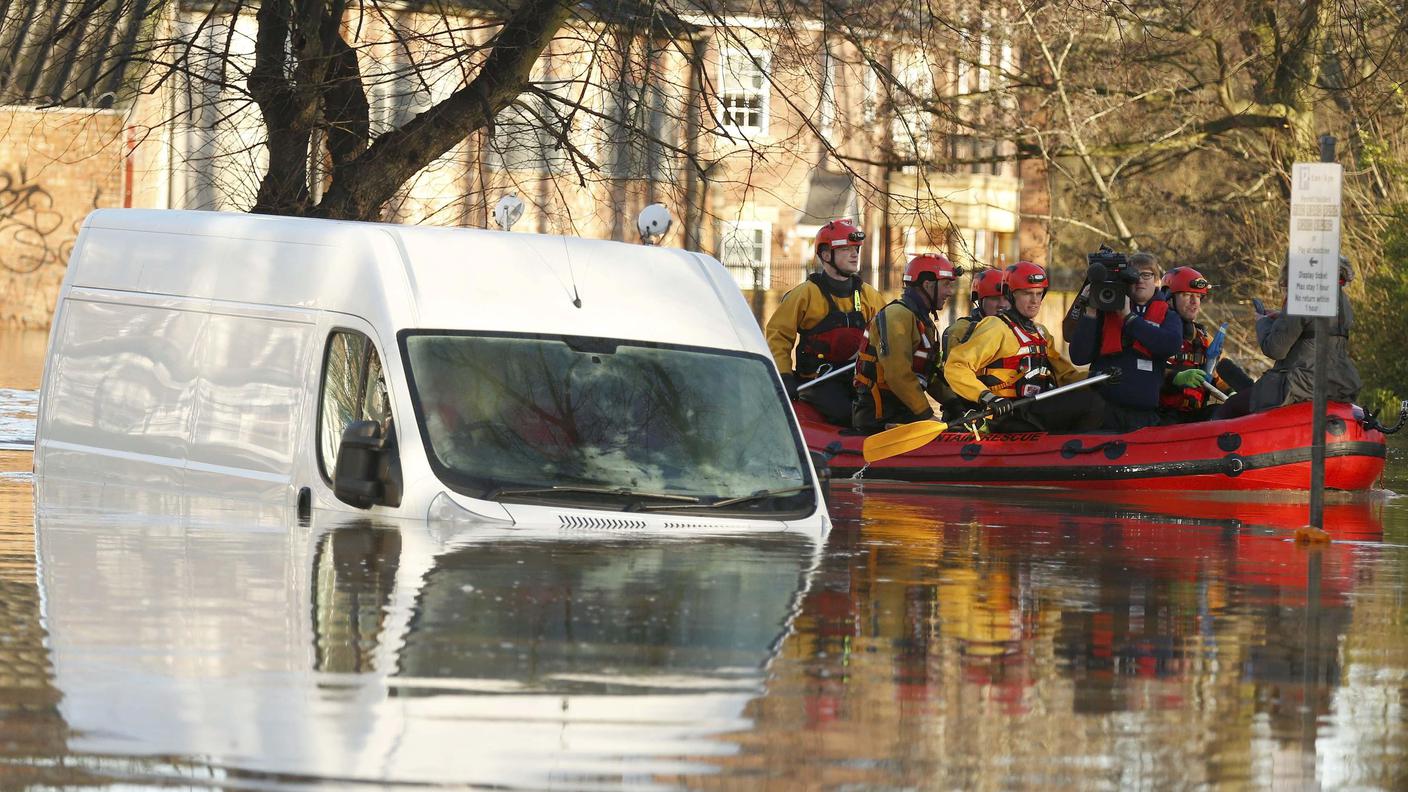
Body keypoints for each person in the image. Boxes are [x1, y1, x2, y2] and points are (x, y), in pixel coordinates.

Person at [945, 261, 1103, 433]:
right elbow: (956, 366)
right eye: (1027, 294)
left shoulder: (1041, 333)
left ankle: (1073, 449)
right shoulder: (996, 327)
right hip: (1004, 413)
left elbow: (1066, 376)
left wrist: (1099, 377)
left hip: (1030, 409)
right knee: (1091, 403)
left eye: (1039, 294)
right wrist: (988, 398)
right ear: (1012, 295)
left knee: (1097, 399)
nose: (1035, 301)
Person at [765, 218, 884, 425]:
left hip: (857, 380)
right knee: (846, 414)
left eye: (856, 248)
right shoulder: (805, 295)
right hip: (817, 382)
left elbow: (887, 335)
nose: (855, 254)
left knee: (878, 413)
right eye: (846, 249)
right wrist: (784, 375)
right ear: (826, 255)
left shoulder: (869, 296)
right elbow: (778, 337)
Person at [1216, 256, 1362, 419]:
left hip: (1300, 384)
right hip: (1336, 383)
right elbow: (1313, 327)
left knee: (1230, 407)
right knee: (1248, 389)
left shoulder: (1302, 296)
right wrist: (1281, 317)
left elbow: (1275, 349)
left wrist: (1262, 322)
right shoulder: (1342, 301)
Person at [1069, 251, 1183, 431]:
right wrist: (1090, 311)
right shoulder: (1105, 311)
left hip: (1144, 415)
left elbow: (1170, 344)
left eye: (1147, 275)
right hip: (1105, 413)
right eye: (1134, 275)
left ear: (1157, 282)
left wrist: (1129, 319)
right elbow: (1079, 356)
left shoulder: (1169, 316)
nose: (1140, 280)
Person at [852, 253, 961, 432]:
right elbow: (897, 374)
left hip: (906, 411)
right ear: (928, 285)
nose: (950, 292)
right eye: (946, 285)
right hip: (880, 416)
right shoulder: (897, 316)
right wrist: (927, 416)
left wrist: (954, 403)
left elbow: (930, 375)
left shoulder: (924, 322)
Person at [1156, 266, 1248, 423]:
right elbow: (1140, 373)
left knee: (1224, 414)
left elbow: (1217, 376)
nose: (1194, 302)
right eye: (1187, 295)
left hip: (1195, 419)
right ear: (1168, 298)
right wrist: (1174, 378)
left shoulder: (1204, 339)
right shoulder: (1153, 332)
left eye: (1198, 297)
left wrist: (1232, 393)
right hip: (1162, 417)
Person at [933, 267, 1009, 417]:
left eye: (1006, 298)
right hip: (972, 410)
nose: (1002, 304)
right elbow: (954, 374)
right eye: (994, 298)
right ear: (980, 301)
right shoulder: (960, 331)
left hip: (1007, 408)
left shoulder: (1020, 331)